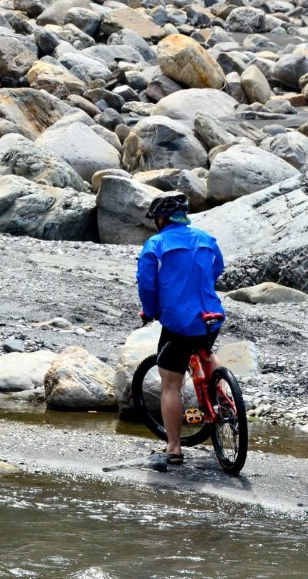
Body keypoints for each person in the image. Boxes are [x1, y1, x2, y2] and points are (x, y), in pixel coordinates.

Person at [136, 192, 225, 465]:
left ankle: (174, 448)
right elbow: (217, 268)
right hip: (211, 315)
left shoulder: (156, 244)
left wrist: (150, 312)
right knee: (206, 351)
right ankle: (221, 395)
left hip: (178, 322)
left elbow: (146, 285)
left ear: (161, 219)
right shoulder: (207, 239)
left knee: (170, 385)